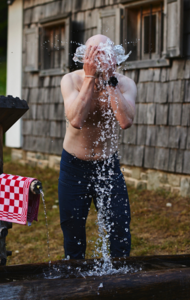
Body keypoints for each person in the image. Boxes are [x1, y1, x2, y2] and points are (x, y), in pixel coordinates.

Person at [59, 34, 137, 259]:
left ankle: (119, 282)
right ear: (85, 57)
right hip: (74, 166)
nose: (99, 60)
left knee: (120, 229)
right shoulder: (71, 80)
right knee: (72, 232)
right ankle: (76, 283)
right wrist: (90, 77)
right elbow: (76, 119)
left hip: (108, 166)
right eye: (94, 55)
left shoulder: (125, 84)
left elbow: (125, 121)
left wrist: (110, 79)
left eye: (104, 55)